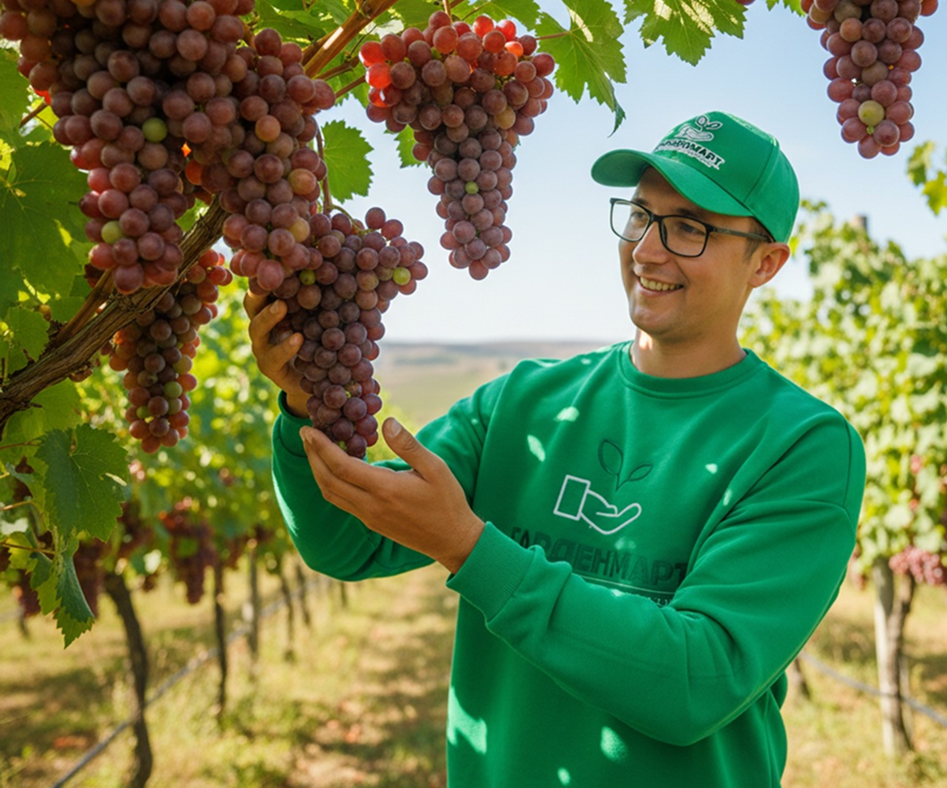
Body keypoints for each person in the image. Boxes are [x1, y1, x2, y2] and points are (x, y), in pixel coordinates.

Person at [246, 109, 866, 788]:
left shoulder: (803, 445)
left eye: (691, 228)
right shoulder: (523, 404)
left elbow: (696, 681)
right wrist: (306, 408)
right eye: (640, 215)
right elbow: (345, 542)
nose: (648, 250)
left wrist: (470, 550)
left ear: (766, 263)